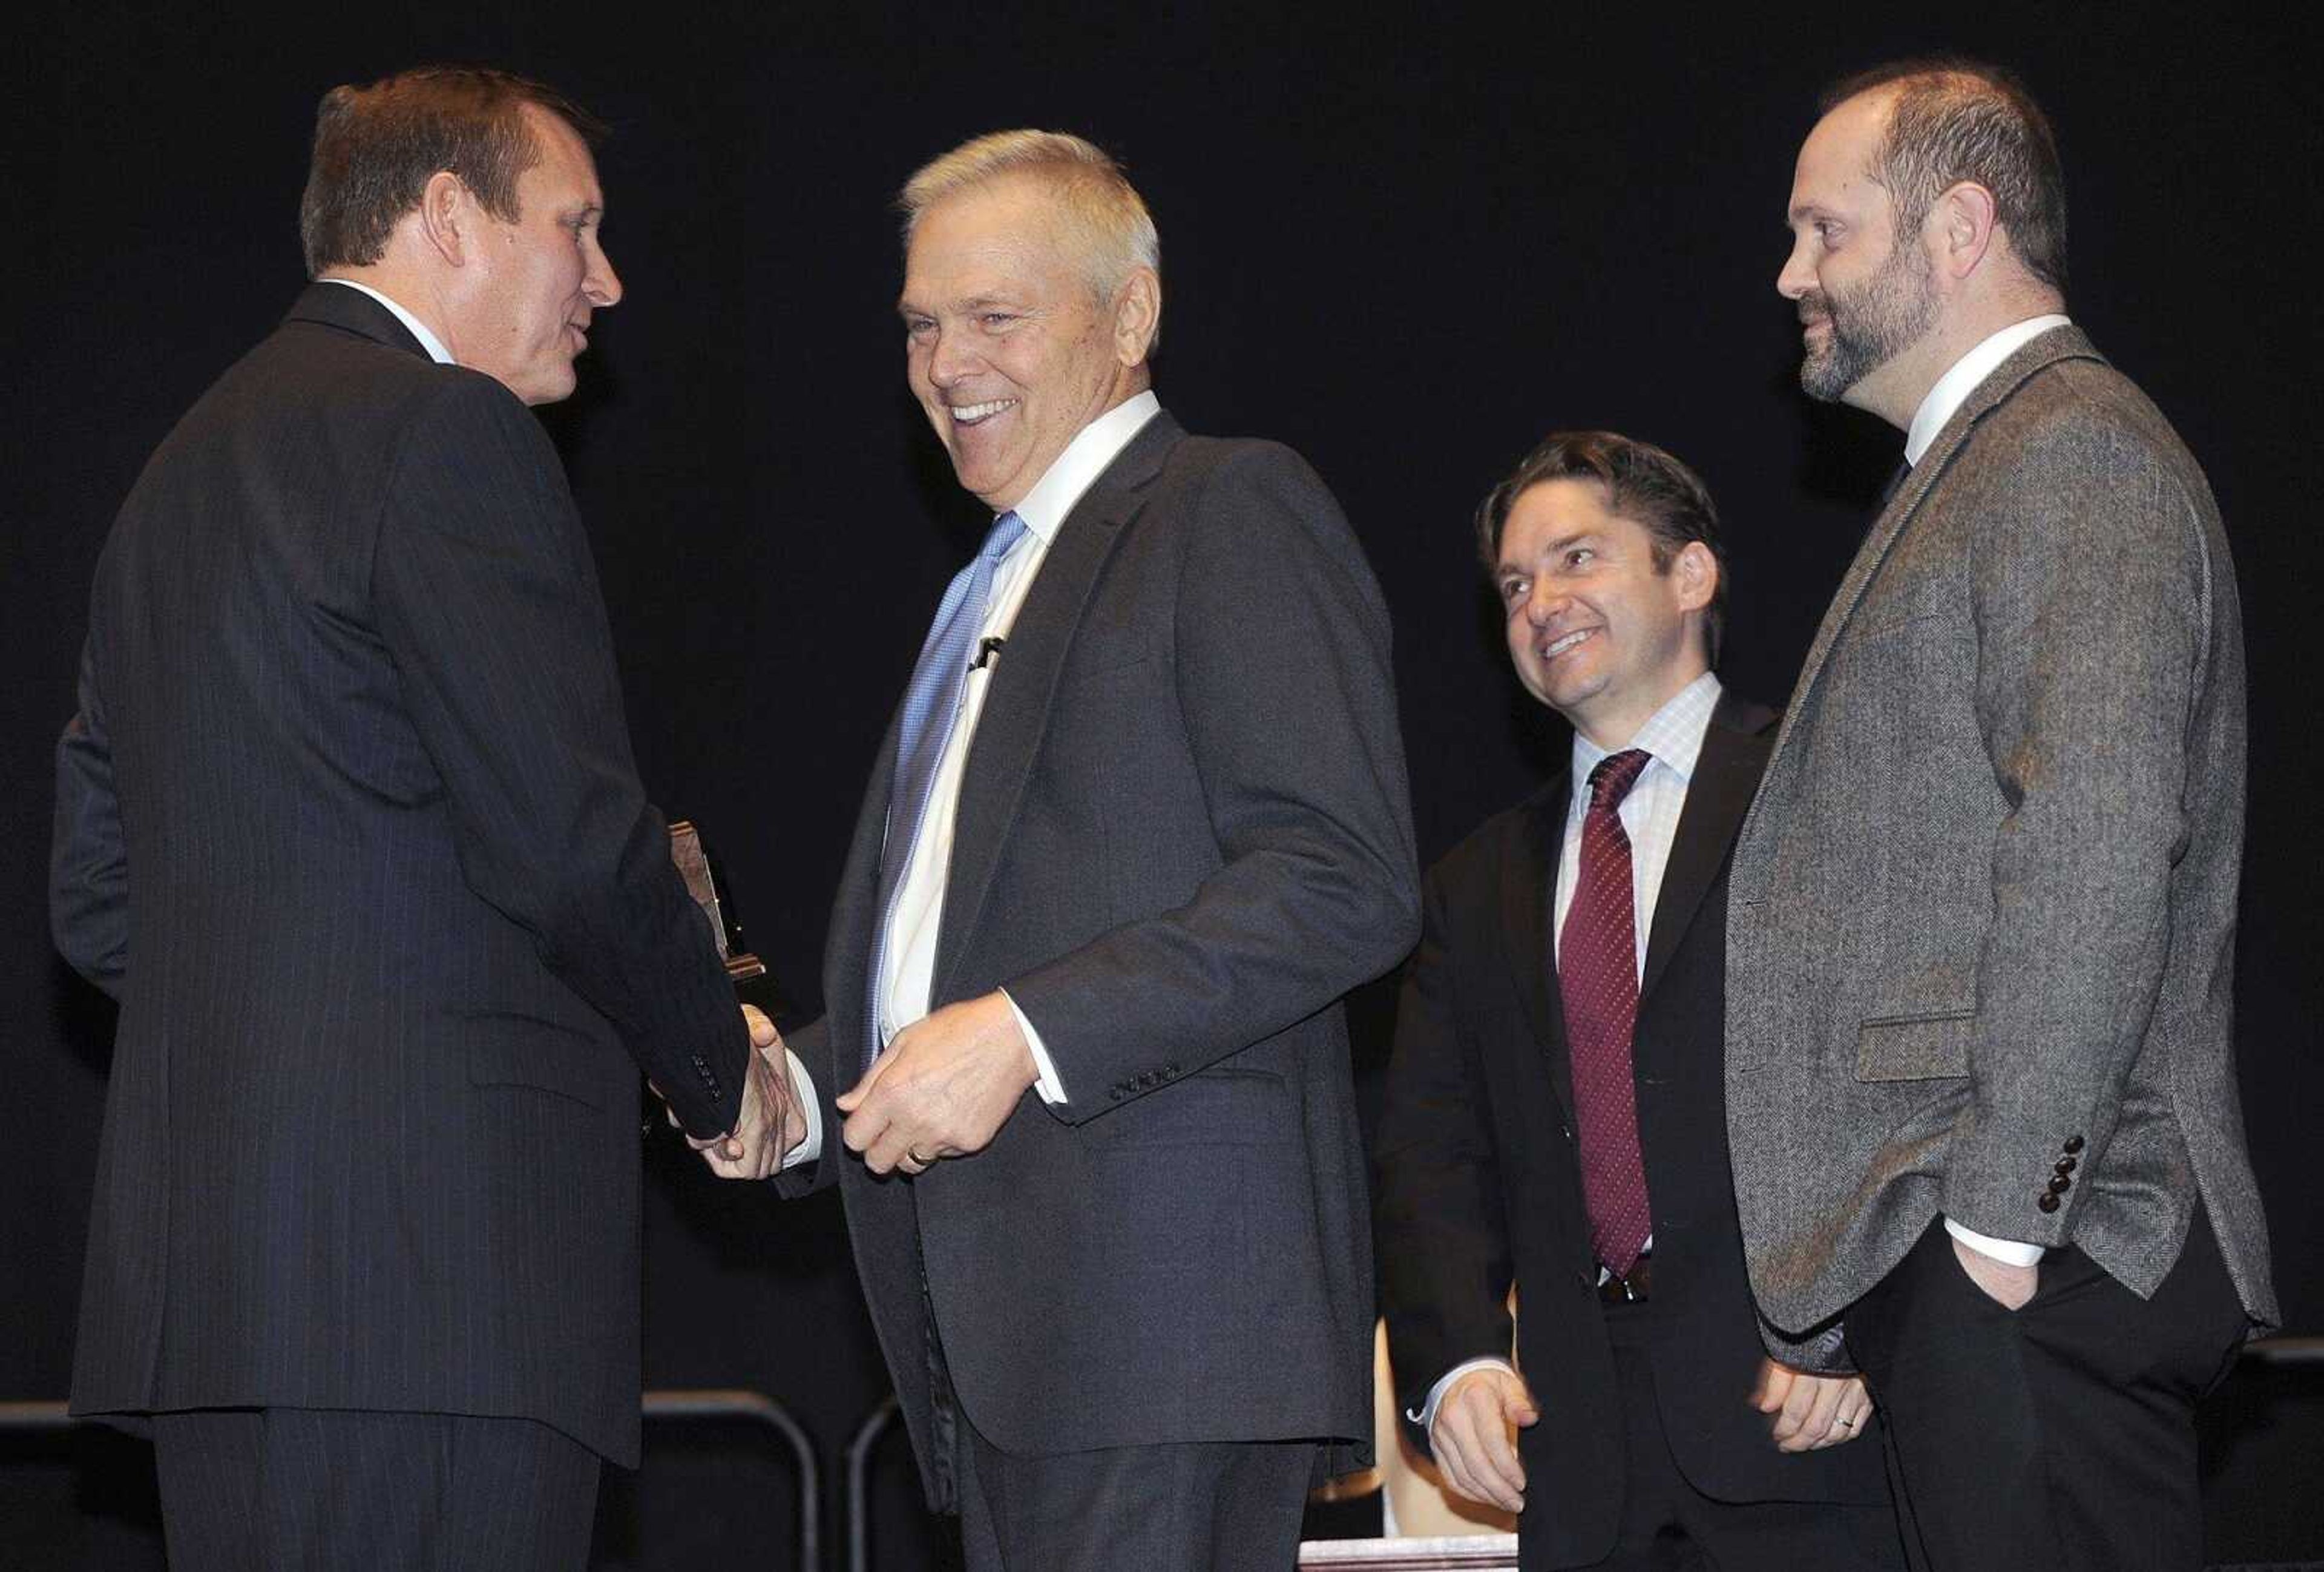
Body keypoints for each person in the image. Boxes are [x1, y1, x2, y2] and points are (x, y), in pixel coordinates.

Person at [48, 66, 796, 1570]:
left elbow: (99, 899)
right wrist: (723, 1074)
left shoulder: (172, 477)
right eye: (575, 228)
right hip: (440, 1297)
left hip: (224, 1314)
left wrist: (308, 1064)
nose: (607, 280)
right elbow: (568, 848)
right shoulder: (444, 432)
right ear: (450, 217)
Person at [755, 130, 1418, 1570]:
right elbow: (967, 941)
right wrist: (800, 1094)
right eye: (924, 326)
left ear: (1130, 319)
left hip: (1159, 1331)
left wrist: (1026, 1033)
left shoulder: (1226, 508)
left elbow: (1344, 879)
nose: (945, 362)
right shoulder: (991, 581)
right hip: (1010, 1342)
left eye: (995, 317)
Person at [1730, 57, 2277, 1571]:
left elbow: (2097, 843)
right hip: (2005, 1265)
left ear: (1959, 227)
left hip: (2054, 1248)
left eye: (1824, 232)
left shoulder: (2069, 451)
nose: (1792, 276)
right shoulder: (1988, 465)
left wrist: (1998, 1230)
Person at [1375, 432, 1900, 1570]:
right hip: (1577, 1464)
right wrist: (1459, 1359)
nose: (1539, 602)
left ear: (1691, 575)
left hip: (1806, 1418)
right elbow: (1430, 1152)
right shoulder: (1473, 886)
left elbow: (1913, 1069)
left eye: (1576, 558)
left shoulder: (1825, 789)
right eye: (1515, 584)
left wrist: (1859, 1315)